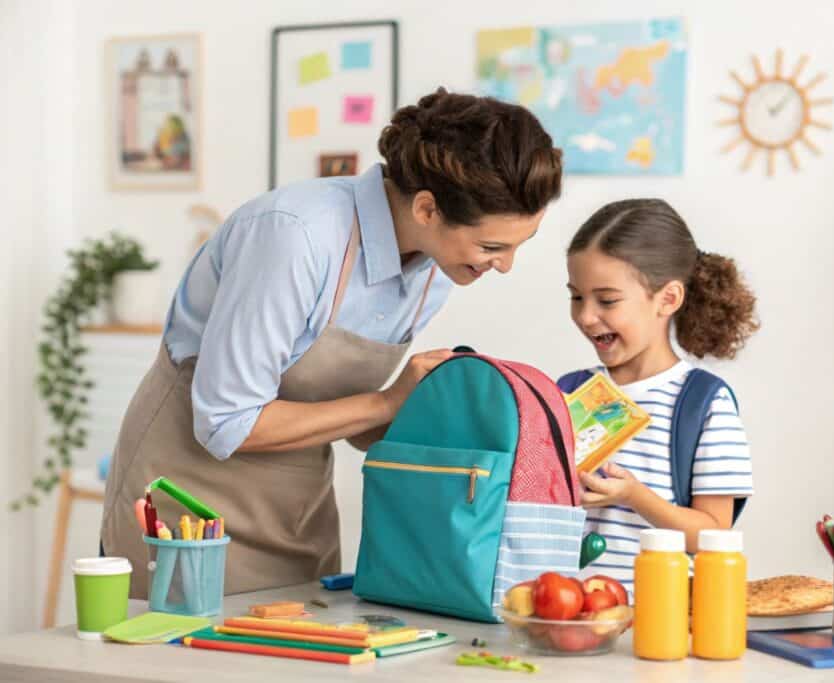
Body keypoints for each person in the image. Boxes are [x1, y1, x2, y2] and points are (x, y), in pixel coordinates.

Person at [100, 88, 563, 597]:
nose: (504, 266)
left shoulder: (438, 268)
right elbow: (226, 424)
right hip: (187, 499)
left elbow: (355, 424)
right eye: (492, 246)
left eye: (518, 246)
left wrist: (499, 443)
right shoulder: (296, 235)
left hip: (298, 507)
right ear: (428, 209)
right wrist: (388, 402)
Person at [558, 198, 758, 593]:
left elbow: (712, 537)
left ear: (667, 299)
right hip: (569, 610)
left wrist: (635, 496)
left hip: (660, 618)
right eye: (576, 296)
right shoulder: (568, 391)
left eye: (607, 300)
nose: (585, 316)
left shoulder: (703, 404)